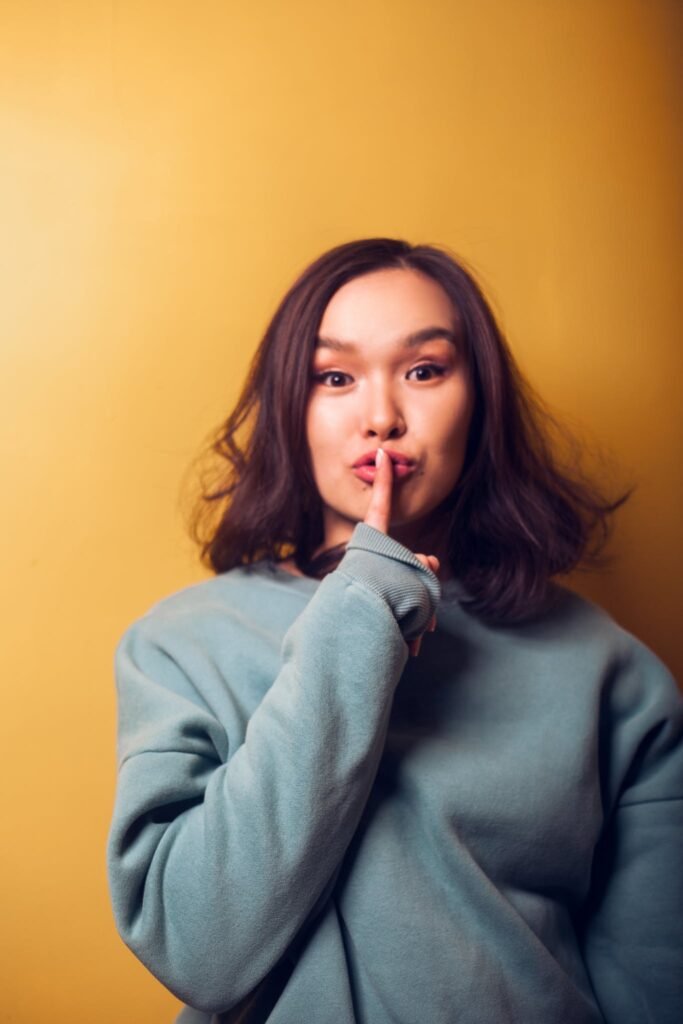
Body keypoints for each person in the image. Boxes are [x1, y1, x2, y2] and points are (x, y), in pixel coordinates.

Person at [107, 238, 683, 1023]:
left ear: (478, 401)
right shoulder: (182, 643)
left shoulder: (609, 671)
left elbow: (652, 981)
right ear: (289, 407)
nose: (380, 418)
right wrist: (362, 610)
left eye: (423, 371)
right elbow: (196, 949)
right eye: (334, 377)